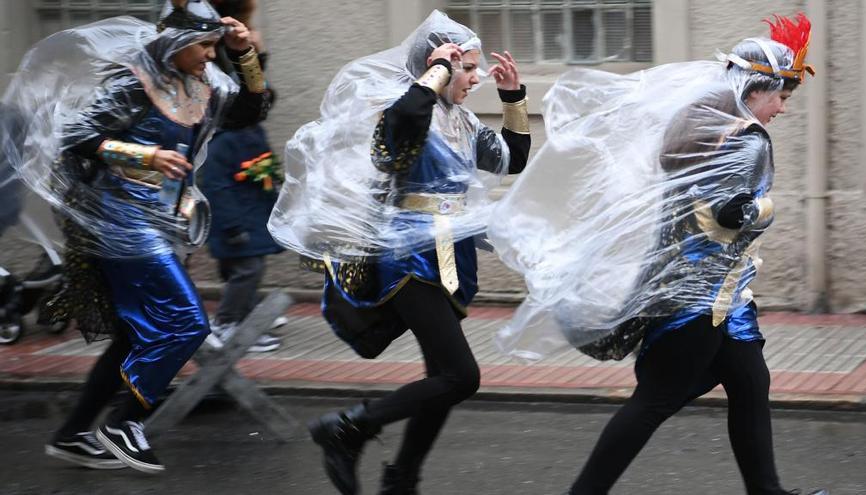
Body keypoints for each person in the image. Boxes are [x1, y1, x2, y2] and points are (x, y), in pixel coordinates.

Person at [487, 13, 826, 495]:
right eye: (782, 97)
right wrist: (764, 209)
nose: (783, 109)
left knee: (750, 383)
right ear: (755, 88)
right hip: (698, 296)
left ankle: (767, 492)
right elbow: (726, 217)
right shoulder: (746, 141)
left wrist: (731, 216)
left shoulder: (698, 126)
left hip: (719, 291)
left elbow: (700, 209)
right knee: (654, 401)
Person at [0, 0, 269, 473]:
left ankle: (72, 433)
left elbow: (250, 110)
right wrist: (146, 156)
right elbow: (73, 136)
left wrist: (244, 53)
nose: (210, 54)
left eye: (213, 45)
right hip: (120, 217)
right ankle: (125, 422)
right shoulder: (134, 83)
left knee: (131, 336)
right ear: (175, 43)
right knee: (188, 322)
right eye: (203, 45)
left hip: (165, 222)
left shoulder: (203, 85)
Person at [268, 11, 530, 494]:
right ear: (437, 68)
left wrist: (514, 96)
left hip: (450, 255)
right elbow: (398, 134)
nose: (476, 78)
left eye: (475, 69)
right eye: (465, 68)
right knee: (461, 376)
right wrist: (435, 73)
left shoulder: (464, 121)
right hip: (408, 256)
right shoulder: (404, 110)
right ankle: (348, 428)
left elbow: (511, 159)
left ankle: (402, 478)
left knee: (440, 376)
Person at [201, 0, 283, 353]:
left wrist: (252, 55)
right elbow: (215, 184)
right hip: (236, 222)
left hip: (247, 216)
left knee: (241, 271)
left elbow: (257, 99)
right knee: (244, 270)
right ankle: (226, 325)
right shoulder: (222, 141)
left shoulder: (247, 132)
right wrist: (233, 225)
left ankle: (244, 320)